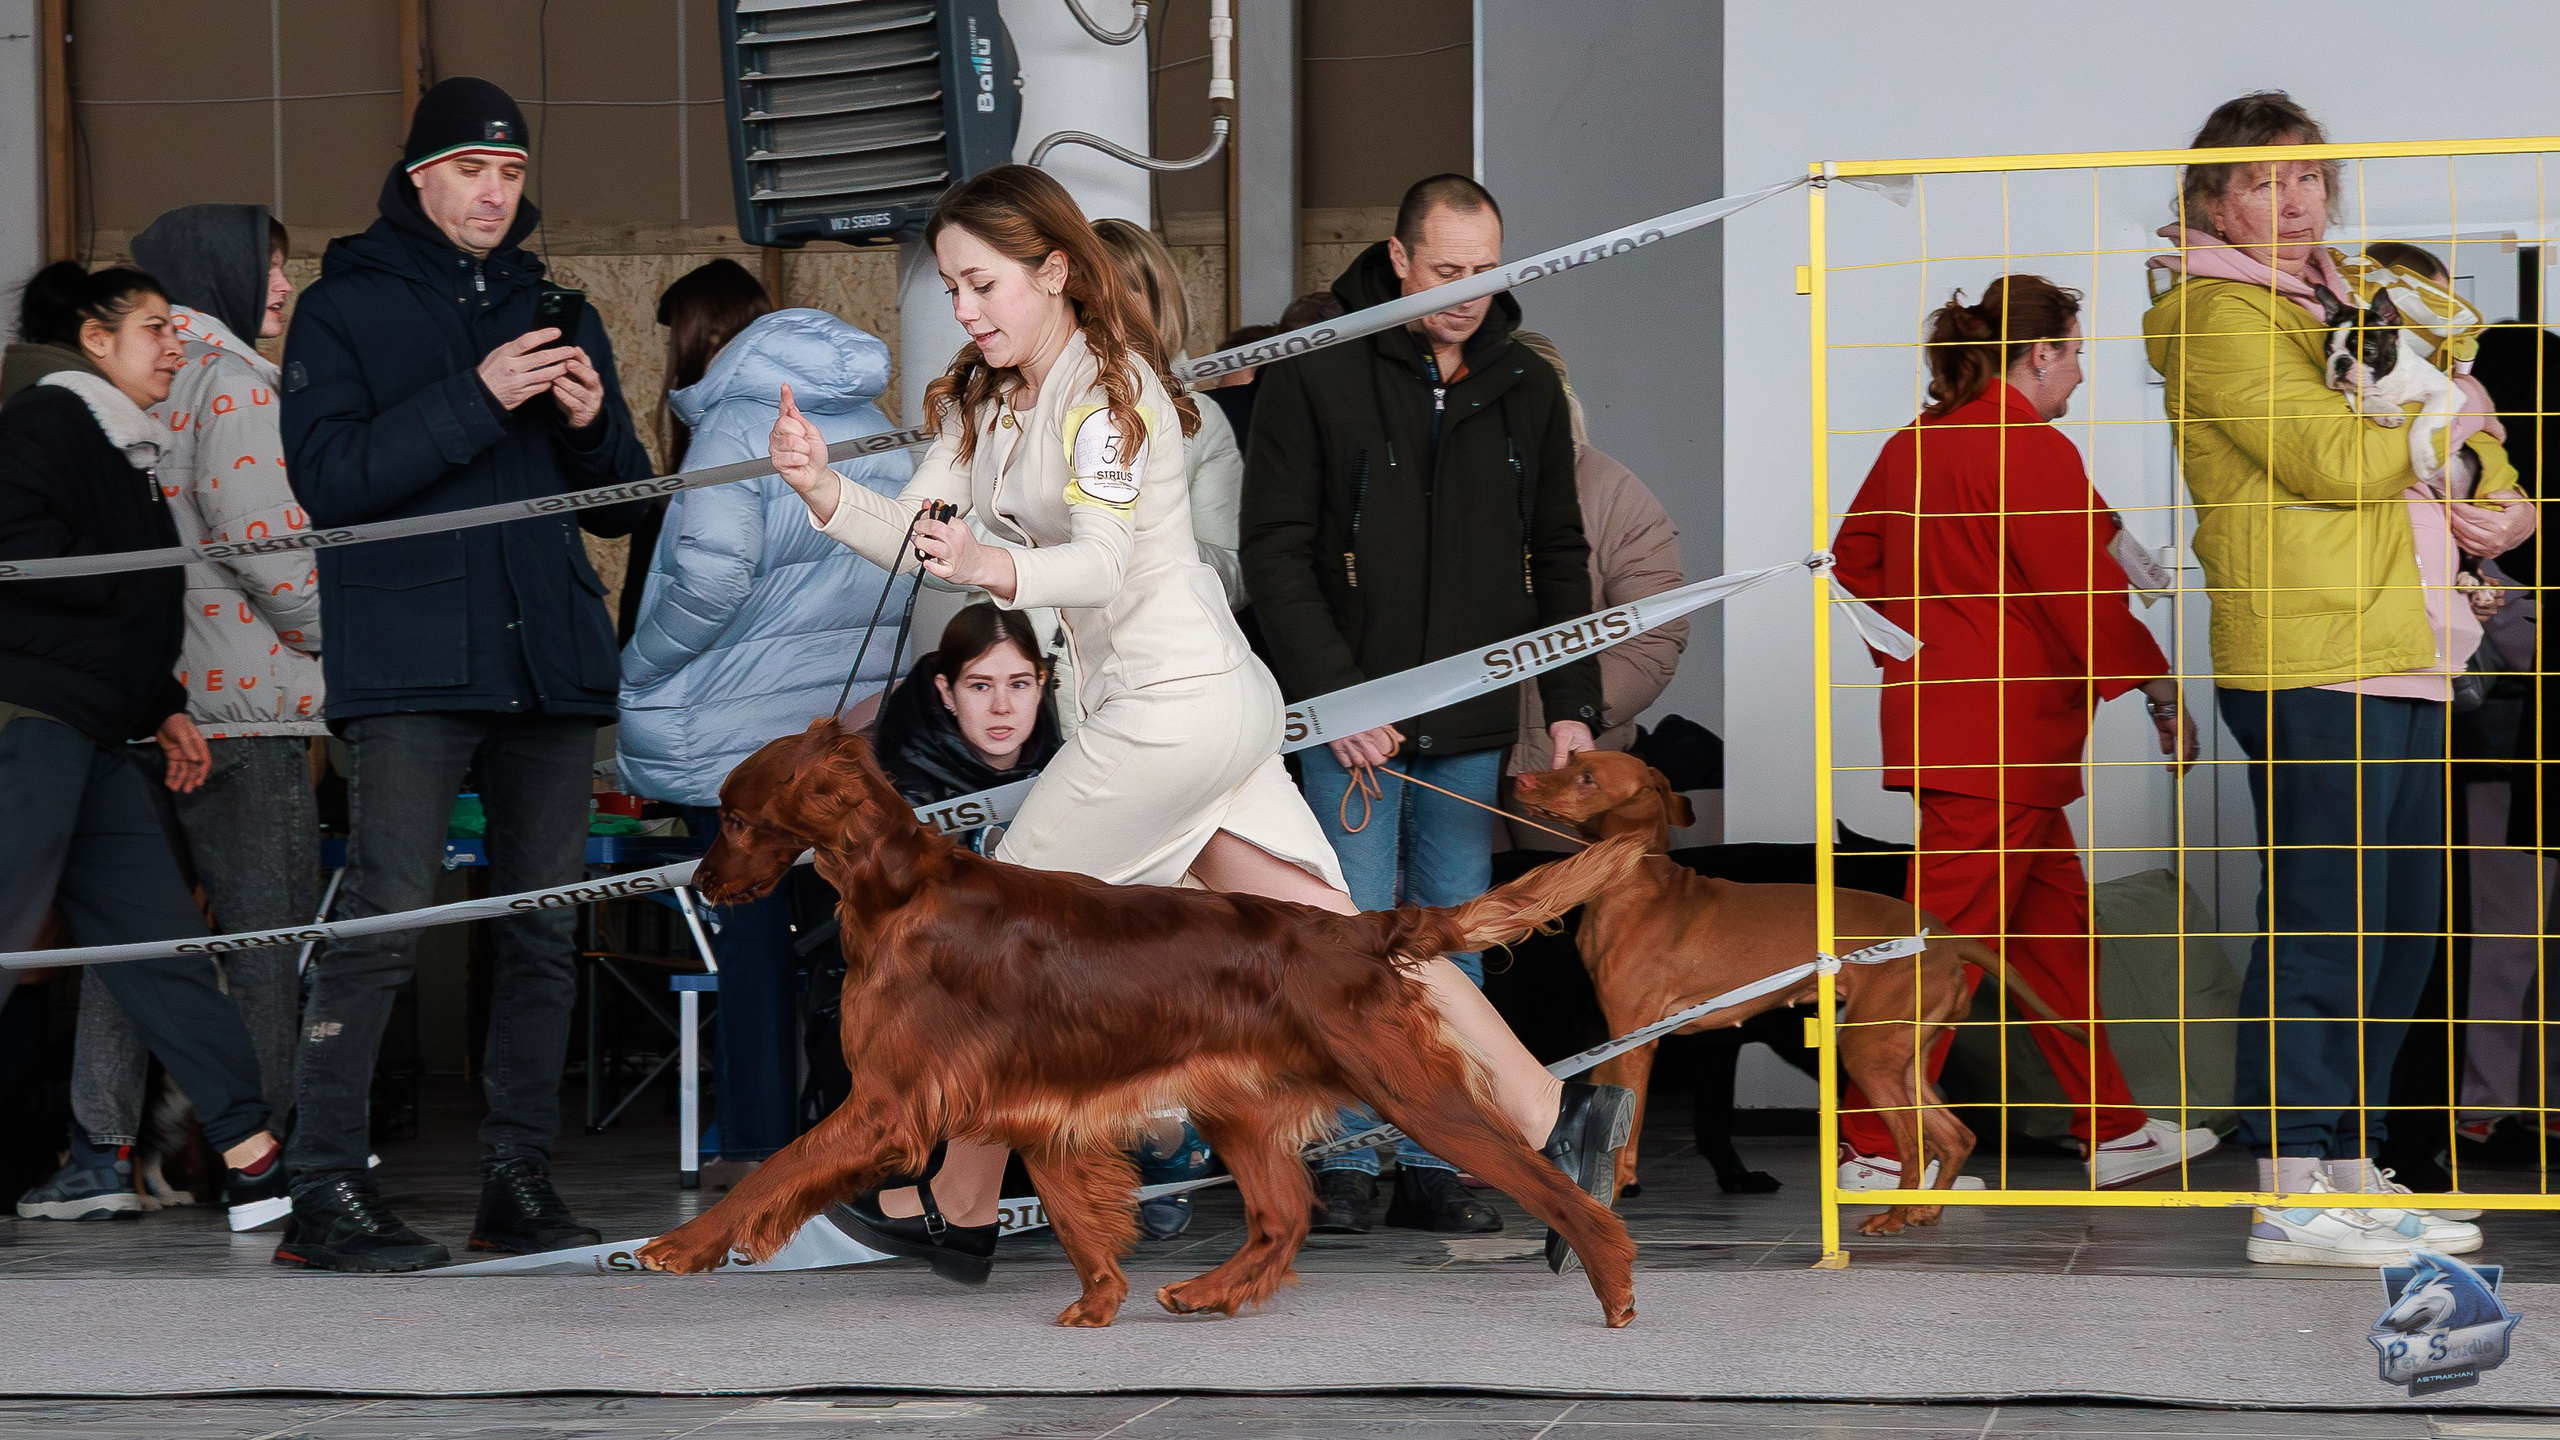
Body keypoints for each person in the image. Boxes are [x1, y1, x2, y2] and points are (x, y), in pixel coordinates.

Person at [768, 162, 1631, 1283]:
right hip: (1205, 711)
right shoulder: (986, 402)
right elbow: (919, 530)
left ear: (1054, 272)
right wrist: (826, 493)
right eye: (952, 289)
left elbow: (1100, 559)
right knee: (1337, 935)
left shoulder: (1108, 394)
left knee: (979, 949)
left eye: (982, 284)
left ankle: (959, 1203)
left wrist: (990, 562)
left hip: (1169, 716)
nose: (966, 309)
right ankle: (1550, 1106)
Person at [2145, 91, 2532, 1265]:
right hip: (2310, 651)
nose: (2294, 199)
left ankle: (2352, 1167)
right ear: (2211, 201)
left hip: (2410, 643)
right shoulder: (2210, 314)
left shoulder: (2348, 293)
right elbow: (2323, 456)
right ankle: (2291, 1187)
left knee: (2401, 925)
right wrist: (2451, 422)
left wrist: (2494, 492)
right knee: (2324, 923)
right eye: (2261, 183)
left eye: (2307, 177)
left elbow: (2473, 438)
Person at [277, 77, 654, 1271]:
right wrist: (477, 395)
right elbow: (330, 483)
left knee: (542, 933)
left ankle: (516, 1183)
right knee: (384, 927)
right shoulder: (342, 310)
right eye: (472, 172)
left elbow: (629, 499)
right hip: (410, 667)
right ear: (419, 177)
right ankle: (322, 1194)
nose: (496, 193)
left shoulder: (561, 304)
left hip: (546, 659)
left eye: (510, 173)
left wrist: (594, 425)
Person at [1242, 174, 1603, 1235]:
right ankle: (1349, 1153)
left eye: (1487, 273)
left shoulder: (1525, 386)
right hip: (1346, 724)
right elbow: (1277, 552)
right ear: (1396, 260)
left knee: (1456, 941)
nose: (1467, 293)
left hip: (1475, 718)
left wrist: (1571, 701)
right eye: (1446, 271)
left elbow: (1559, 552)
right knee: (1346, 946)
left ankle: (1445, 1156)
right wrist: (1338, 693)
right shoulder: (1318, 375)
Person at [1832, 276, 2218, 1196]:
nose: (2083, 372)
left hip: (1978, 738)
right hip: (2006, 739)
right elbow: (2078, 592)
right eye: (2077, 351)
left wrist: (1929, 649)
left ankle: (2115, 1130)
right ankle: (1879, 1147)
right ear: (2038, 353)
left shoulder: (1910, 447)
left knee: (2056, 941)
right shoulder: (2029, 446)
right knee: (1934, 951)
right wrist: (2161, 689)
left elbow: (1852, 565)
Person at [0, 262, 287, 1230]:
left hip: (97, 728)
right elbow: (26, 554)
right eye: (156, 328)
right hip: (30, 725)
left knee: (162, 946)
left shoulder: (118, 438)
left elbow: (125, 600)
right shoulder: (45, 420)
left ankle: (254, 1156)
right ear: (92, 336)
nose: (176, 347)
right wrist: (128, 632)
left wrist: (160, 698)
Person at [52, 205, 326, 1203]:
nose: (284, 289)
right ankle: (262, 1160)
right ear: (221, 272)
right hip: (244, 707)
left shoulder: (118, 390)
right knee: (264, 940)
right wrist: (339, 637)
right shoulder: (233, 385)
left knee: (133, 942)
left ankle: (98, 1157)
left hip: (142, 702)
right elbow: (270, 549)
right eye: (271, 269)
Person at [617, 265, 912, 1173]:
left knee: (747, 929)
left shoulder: (735, 425)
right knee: (851, 941)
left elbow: (707, 581)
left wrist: (638, 665)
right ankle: (857, 1131)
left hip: (743, 736)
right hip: (845, 733)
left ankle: (757, 1140)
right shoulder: (876, 424)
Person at [1501, 331, 1688, 847]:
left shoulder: (1617, 495)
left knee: (1565, 915)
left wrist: (1564, 715)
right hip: (1439, 756)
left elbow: (1654, 637)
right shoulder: (1432, 489)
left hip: (1566, 766)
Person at [1089, 217, 1246, 606]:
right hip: (1027, 659)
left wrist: (1155, 548)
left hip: (1151, 649)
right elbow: (945, 564)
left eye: (1125, 290)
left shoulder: (1202, 419)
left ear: (1159, 302)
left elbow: (1236, 576)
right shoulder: (1019, 404)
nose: (1106, 309)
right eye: (1088, 293)